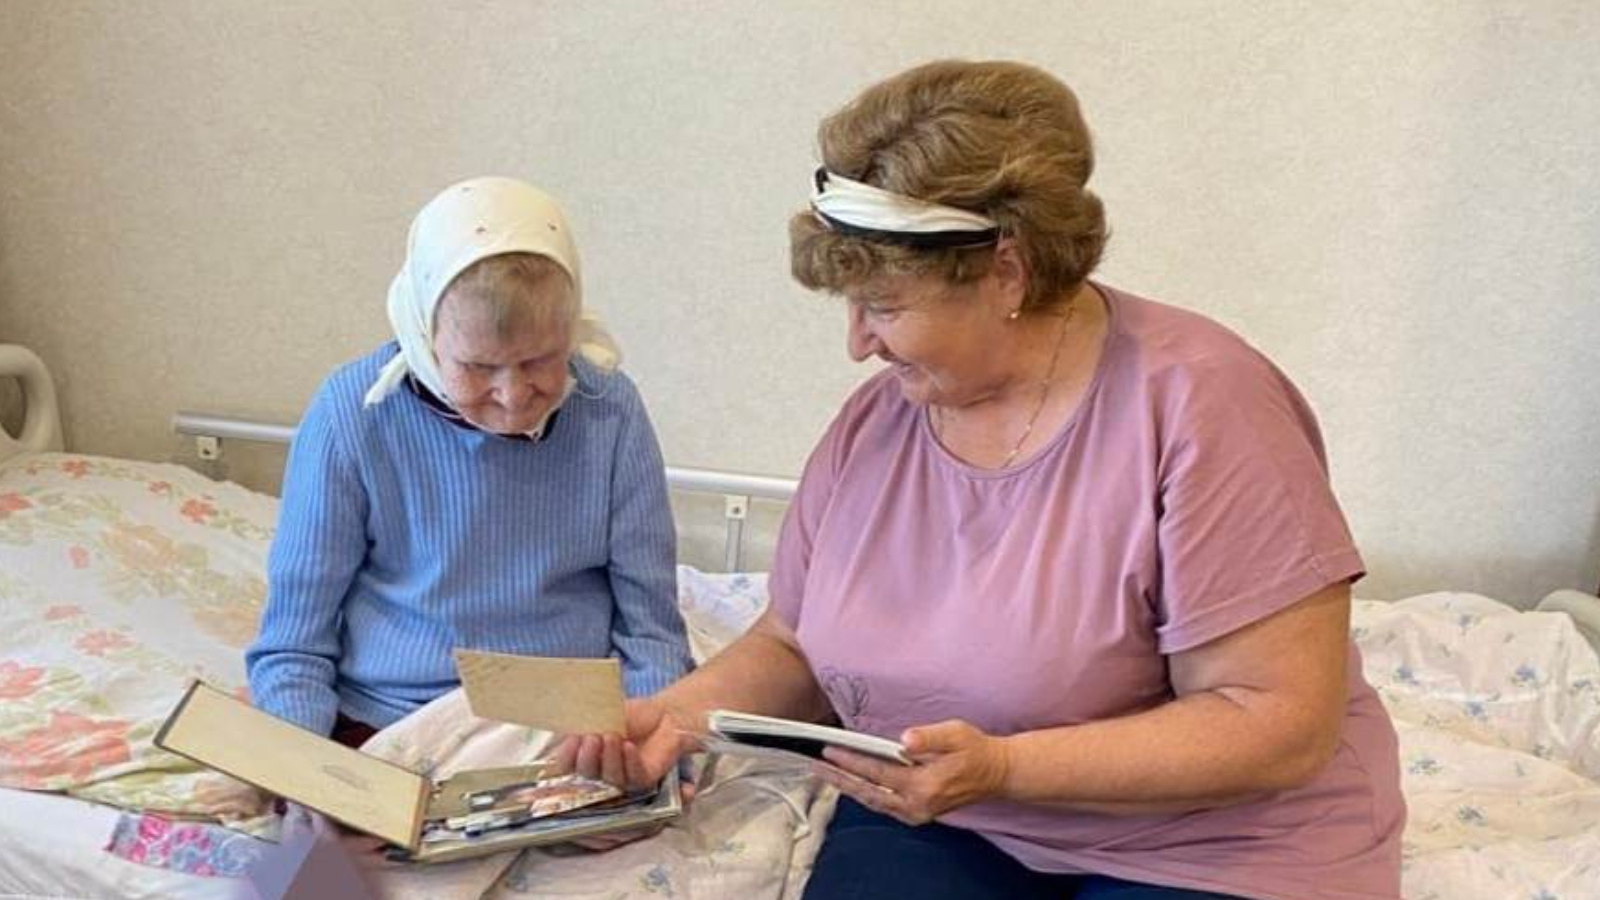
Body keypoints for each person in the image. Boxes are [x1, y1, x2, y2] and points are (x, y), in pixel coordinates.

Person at [597, 61, 1405, 899]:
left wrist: (1006, 767)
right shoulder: (881, 421)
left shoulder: (1206, 403)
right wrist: (676, 718)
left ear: (1006, 273)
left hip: (1210, 840)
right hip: (949, 813)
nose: (859, 343)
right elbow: (792, 643)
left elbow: (1274, 723)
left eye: (885, 306)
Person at [246, 176, 693, 751]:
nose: (512, 395)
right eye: (478, 367)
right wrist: (297, 766)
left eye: (542, 360)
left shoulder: (610, 408)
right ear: (423, 333)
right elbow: (294, 642)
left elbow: (651, 631)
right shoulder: (353, 413)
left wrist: (650, 747)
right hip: (390, 719)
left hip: (565, 727)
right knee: (315, 808)